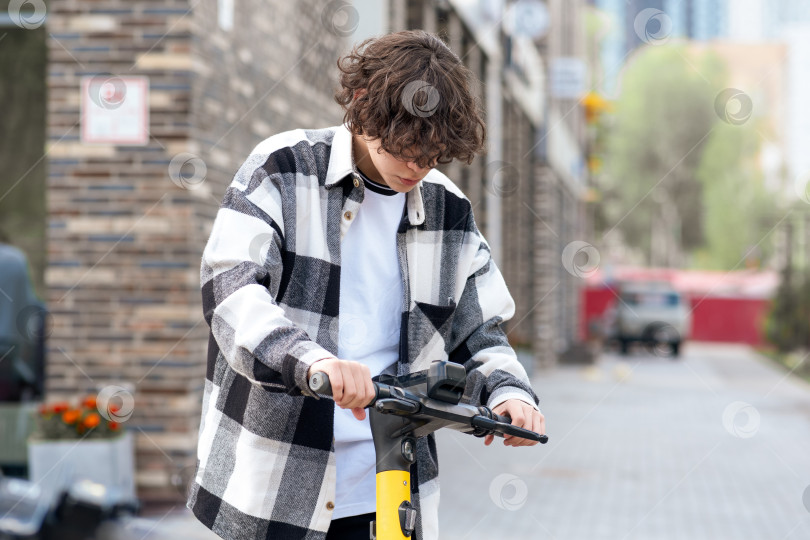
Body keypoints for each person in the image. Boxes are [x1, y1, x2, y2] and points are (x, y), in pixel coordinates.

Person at [188, 30, 546, 540]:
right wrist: (311, 360)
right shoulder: (284, 168)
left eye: (434, 154)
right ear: (362, 105)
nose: (417, 166)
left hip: (393, 489)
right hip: (274, 486)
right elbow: (231, 290)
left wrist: (511, 391)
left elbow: (482, 331)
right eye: (406, 148)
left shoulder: (450, 210)